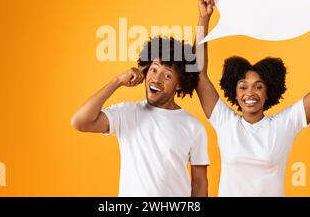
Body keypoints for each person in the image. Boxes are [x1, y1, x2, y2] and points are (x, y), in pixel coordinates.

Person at [195, 0, 310, 196]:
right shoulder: (224, 121)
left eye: (258, 86)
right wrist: (204, 17)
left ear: (268, 92)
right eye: (243, 86)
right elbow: (198, 73)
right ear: (235, 93)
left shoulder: (284, 124)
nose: (250, 93)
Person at [71, 36, 210, 196]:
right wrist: (117, 81)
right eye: (154, 69)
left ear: (179, 84)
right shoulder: (126, 113)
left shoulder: (194, 127)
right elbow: (80, 121)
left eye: (167, 76)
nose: (156, 79)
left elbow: (199, 182)